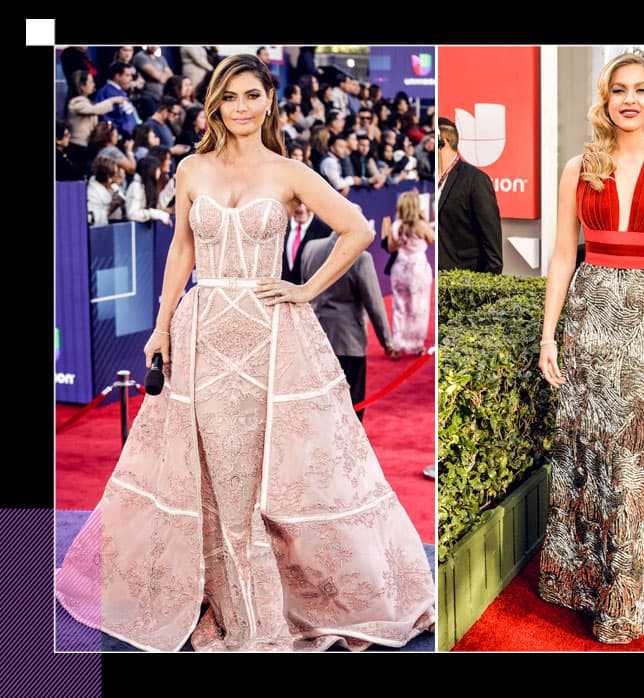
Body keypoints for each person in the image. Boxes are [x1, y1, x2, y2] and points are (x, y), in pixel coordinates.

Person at [55, 53, 435, 652]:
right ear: (215, 104)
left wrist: (305, 289)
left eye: (252, 95)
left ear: (269, 101)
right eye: (229, 97)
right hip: (203, 333)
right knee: (214, 473)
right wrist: (161, 326)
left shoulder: (288, 171)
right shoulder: (192, 169)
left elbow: (358, 229)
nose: (241, 107)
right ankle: (223, 594)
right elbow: (181, 250)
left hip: (269, 340)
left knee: (265, 472)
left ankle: (268, 605)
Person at [536, 53, 644, 644]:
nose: (630, 100)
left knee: (633, 461)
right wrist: (549, 334)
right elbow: (562, 256)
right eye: (620, 90)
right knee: (581, 451)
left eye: (641, 90)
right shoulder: (578, 168)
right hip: (589, 316)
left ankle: (623, 593)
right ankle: (577, 578)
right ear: (605, 99)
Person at [300, 224, 398, 423]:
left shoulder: (310, 248)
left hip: (314, 337)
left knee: (320, 402)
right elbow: (374, 302)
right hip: (349, 340)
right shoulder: (361, 257)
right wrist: (387, 341)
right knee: (351, 405)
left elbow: (304, 289)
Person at [436, 117, 503, 273]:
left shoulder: (475, 180)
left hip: (463, 279)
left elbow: (491, 244)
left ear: (442, 142)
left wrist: (486, 285)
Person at [382, 191, 434, 357]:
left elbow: (390, 248)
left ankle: (397, 345)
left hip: (400, 269)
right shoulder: (421, 225)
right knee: (419, 307)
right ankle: (416, 344)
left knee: (399, 307)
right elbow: (432, 239)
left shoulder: (396, 226)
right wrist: (424, 220)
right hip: (419, 269)